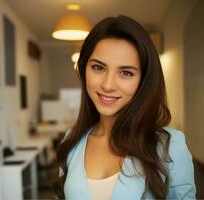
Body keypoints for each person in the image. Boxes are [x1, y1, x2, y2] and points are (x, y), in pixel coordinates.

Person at [54, 16, 196, 200]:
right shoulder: (72, 141)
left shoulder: (170, 146)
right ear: (84, 69)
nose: (108, 85)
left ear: (143, 81)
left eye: (126, 73)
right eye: (98, 67)